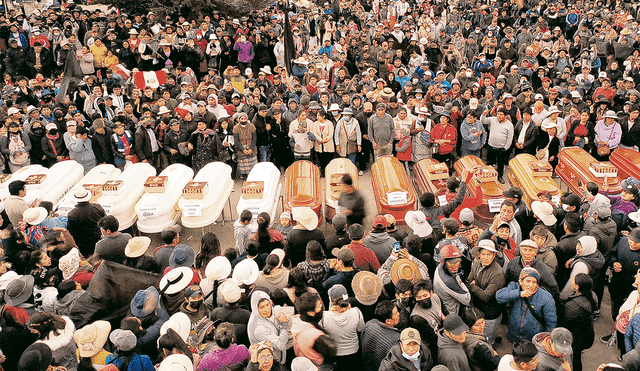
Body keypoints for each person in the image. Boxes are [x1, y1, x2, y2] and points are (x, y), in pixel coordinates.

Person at [496, 267, 557, 343]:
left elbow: (551, 322)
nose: (531, 285)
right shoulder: (514, 287)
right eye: (528, 281)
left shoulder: (546, 297)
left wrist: (545, 340)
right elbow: (499, 296)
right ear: (521, 281)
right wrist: (519, 293)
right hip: (513, 336)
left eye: (534, 282)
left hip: (532, 339)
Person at [465, 240, 505, 344]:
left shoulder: (497, 273)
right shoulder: (477, 264)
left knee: (487, 338)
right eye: (483, 254)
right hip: (479, 308)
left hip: (491, 313)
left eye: (489, 254)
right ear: (479, 254)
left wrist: (473, 286)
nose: (486, 257)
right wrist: (473, 286)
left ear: (494, 255)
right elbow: (468, 281)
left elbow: (486, 296)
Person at [320, 284, 365, 371]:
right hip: (353, 350)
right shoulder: (357, 312)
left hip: (334, 353)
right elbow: (361, 329)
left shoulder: (324, 317)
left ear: (331, 299)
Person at [561, 273, 597, 371]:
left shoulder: (572, 306)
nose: (572, 281)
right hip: (584, 336)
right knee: (577, 358)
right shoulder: (592, 297)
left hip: (573, 339)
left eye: (573, 280)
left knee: (571, 360)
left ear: (577, 287)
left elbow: (564, 324)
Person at [361, 300, 401, 371]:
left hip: (367, 366)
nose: (398, 314)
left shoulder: (369, 324)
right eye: (395, 313)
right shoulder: (395, 339)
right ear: (388, 321)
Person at [433, 244, 471, 315]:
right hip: (451, 312)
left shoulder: (439, 268)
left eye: (458, 261)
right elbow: (466, 299)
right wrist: (461, 282)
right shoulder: (449, 281)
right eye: (452, 262)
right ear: (443, 261)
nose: (456, 265)